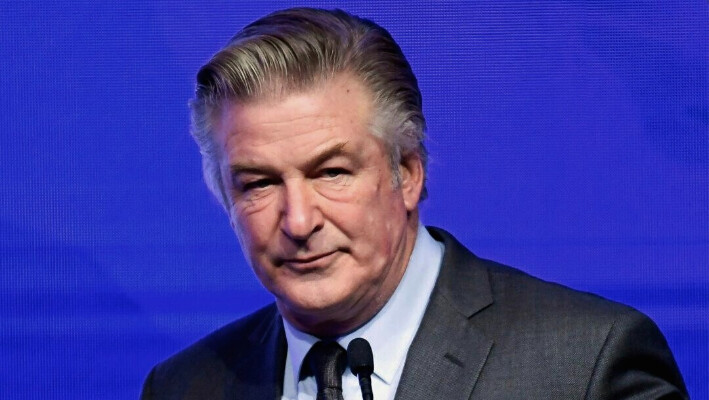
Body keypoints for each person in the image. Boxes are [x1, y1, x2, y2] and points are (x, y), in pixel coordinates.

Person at [141, 7, 688, 400]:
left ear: (406, 173)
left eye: (332, 172)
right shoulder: (184, 387)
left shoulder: (587, 365)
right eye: (258, 183)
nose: (299, 220)